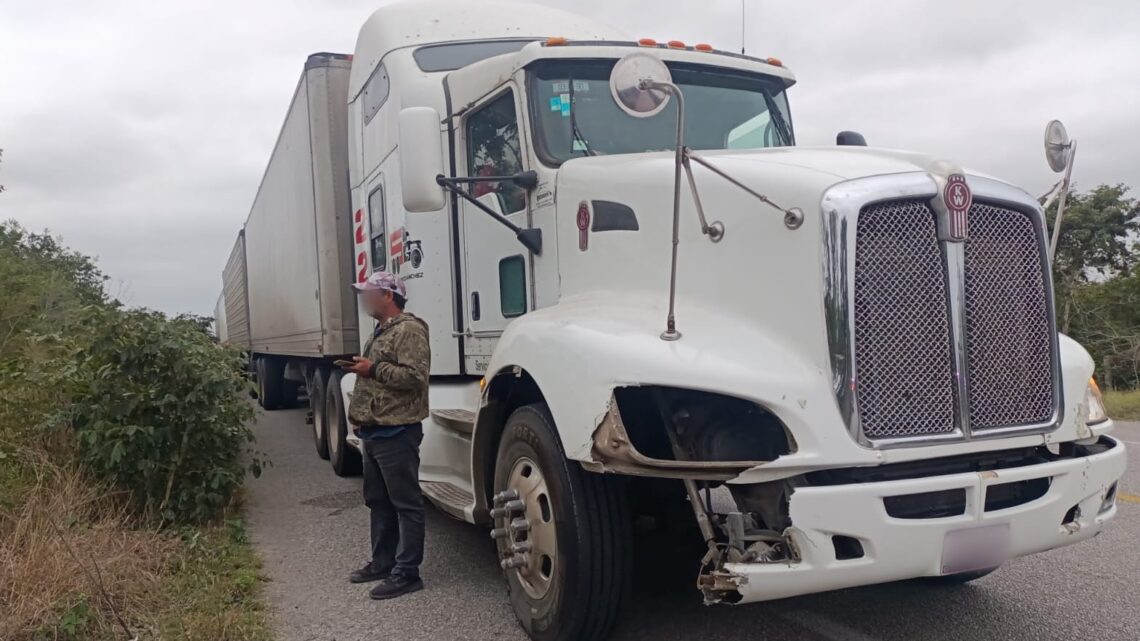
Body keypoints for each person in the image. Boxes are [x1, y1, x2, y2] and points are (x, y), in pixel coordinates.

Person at [343, 270, 431, 600]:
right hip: (375, 431)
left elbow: (415, 377)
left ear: (388, 296)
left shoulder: (409, 330)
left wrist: (372, 368)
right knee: (378, 501)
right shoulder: (381, 331)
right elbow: (374, 382)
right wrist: (361, 417)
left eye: (369, 293)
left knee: (406, 503)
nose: (364, 300)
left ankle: (407, 573)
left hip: (398, 432)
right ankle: (383, 562)